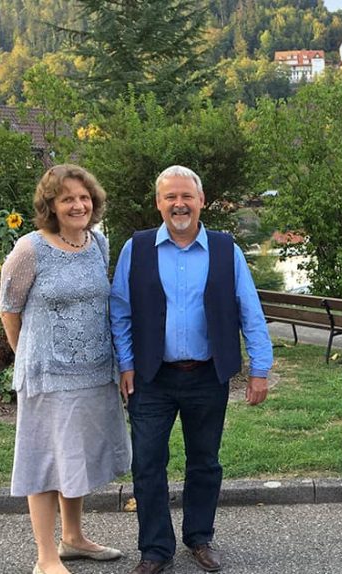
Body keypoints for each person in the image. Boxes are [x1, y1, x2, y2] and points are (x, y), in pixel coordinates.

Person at [109, 165, 272, 574]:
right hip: (151, 377)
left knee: (205, 461)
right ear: (159, 203)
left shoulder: (225, 249)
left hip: (206, 375)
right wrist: (126, 364)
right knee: (147, 463)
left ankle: (200, 537)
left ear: (201, 201)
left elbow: (249, 310)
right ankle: (155, 549)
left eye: (187, 196)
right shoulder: (137, 248)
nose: (179, 204)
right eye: (170, 197)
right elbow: (121, 312)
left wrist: (259, 368)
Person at [0, 164, 131, 574]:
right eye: (68, 199)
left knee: (74, 459)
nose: (78, 205)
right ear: (51, 206)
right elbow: (9, 308)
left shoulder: (98, 244)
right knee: (44, 460)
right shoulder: (30, 249)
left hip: (93, 372)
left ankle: (72, 538)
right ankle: (45, 557)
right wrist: (27, 356)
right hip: (47, 376)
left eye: (84, 197)